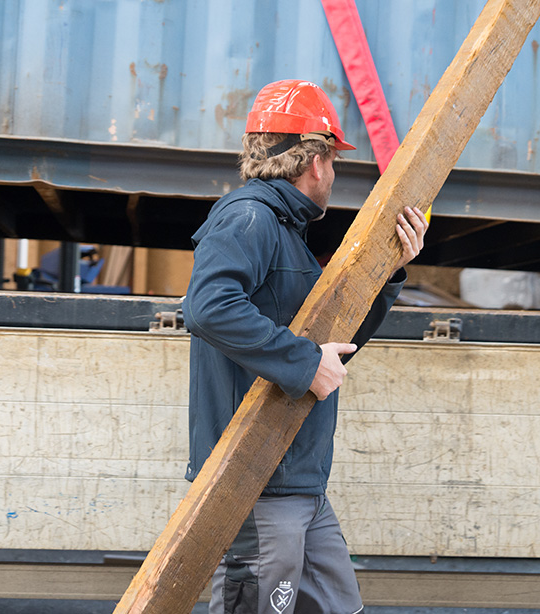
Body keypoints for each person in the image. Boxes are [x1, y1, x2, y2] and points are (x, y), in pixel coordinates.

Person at [182, 79, 428, 614]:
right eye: (334, 162)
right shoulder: (248, 218)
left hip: (300, 482)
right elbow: (206, 306)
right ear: (314, 162)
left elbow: (334, 347)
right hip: (259, 482)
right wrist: (302, 362)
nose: (333, 175)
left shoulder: (283, 233)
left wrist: (390, 271)